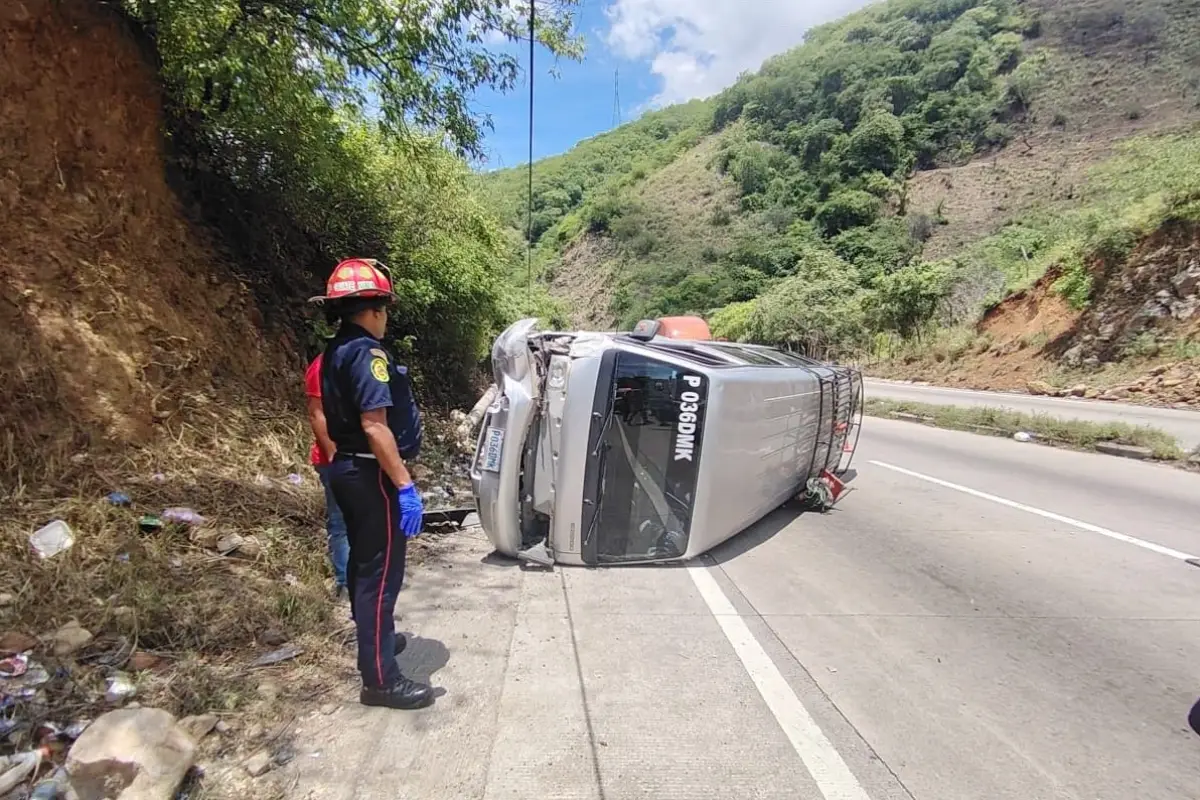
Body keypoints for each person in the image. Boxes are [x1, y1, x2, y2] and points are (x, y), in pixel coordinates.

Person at [310, 258, 433, 710]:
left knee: (365, 571)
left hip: (345, 468)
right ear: (376, 309)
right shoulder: (367, 353)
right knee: (380, 579)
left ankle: (375, 646)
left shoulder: (333, 351)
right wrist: (403, 485)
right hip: (369, 473)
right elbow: (375, 425)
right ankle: (380, 681)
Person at [304, 353, 350, 599]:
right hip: (332, 460)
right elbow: (316, 413)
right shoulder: (322, 366)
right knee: (340, 521)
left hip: (359, 460)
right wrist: (333, 454)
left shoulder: (360, 360)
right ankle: (345, 582)